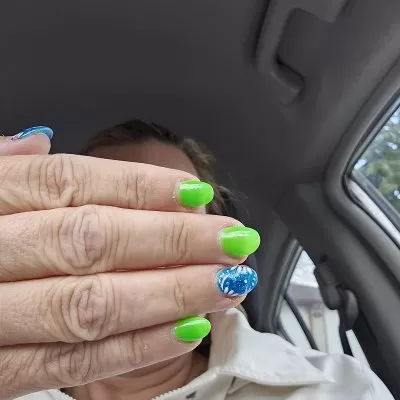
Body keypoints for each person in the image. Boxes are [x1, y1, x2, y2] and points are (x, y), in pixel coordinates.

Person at [0, 123, 393, 400]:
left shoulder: (335, 388)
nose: (142, 243)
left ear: (218, 248)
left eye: (176, 218)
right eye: (107, 215)